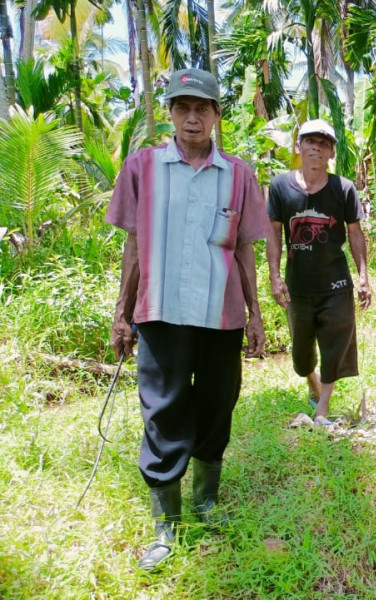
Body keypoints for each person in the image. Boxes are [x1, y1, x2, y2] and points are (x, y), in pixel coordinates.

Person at [107, 68, 271, 571]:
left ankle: (206, 503)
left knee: (218, 404)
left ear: (218, 115)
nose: (192, 117)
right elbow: (133, 244)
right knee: (164, 410)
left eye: (203, 108)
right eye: (183, 108)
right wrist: (121, 314)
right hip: (159, 313)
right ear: (172, 114)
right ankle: (167, 524)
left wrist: (256, 317)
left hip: (220, 315)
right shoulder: (143, 167)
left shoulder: (238, 175)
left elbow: (245, 250)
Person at [266, 119, 372, 426]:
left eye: (324, 144)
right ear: (298, 147)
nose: (316, 147)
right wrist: (274, 276)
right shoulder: (279, 187)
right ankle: (311, 381)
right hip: (299, 285)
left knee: (335, 343)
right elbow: (273, 233)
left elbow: (355, 233)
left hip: (336, 283)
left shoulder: (344, 189)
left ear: (331, 153)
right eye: (310, 141)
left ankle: (322, 410)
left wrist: (363, 276)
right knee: (301, 355)